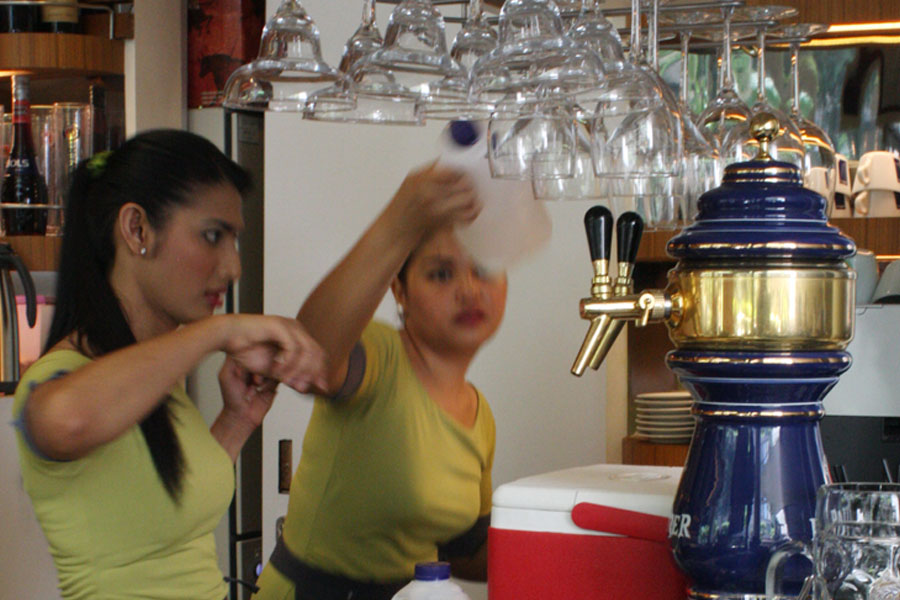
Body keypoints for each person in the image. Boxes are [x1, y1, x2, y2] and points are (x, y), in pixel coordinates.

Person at [12, 129, 327, 600]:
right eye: (212, 236)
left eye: (233, 240)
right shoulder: (58, 378)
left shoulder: (157, 384)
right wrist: (217, 332)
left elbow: (164, 510)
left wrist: (237, 420)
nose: (233, 267)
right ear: (137, 229)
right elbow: (65, 418)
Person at [252, 162, 508, 600]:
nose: (469, 289)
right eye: (441, 273)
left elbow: (465, 551)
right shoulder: (379, 354)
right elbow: (311, 353)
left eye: (483, 269)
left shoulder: (479, 414)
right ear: (400, 291)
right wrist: (399, 220)